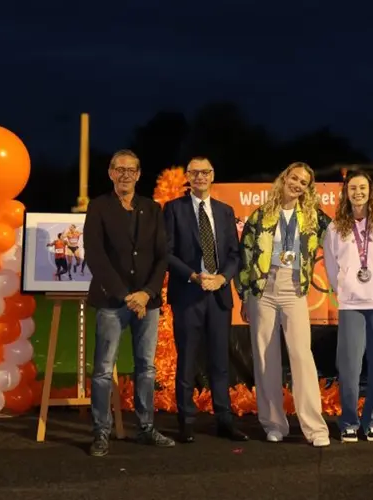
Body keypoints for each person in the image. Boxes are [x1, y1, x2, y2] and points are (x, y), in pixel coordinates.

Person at [83, 149, 175, 456]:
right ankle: (101, 432)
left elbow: (162, 256)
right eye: (119, 169)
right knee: (103, 370)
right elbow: (95, 255)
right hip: (112, 300)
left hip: (146, 301)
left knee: (146, 368)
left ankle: (146, 428)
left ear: (138, 174)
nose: (125, 175)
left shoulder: (152, 209)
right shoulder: (98, 207)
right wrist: (126, 295)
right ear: (110, 173)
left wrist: (147, 293)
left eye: (131, 170)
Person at [236, 161, 331, 447]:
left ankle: (315, 429)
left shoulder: (314, 217)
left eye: (304, 182)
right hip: (262, 290)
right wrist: (244, 294)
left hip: (293, 289)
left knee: (302, 356)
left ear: (308, 189)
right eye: (294, 178)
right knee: (265, 357)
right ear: (284, 178)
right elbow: (246, 255)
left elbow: (341, 240)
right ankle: (273, 423)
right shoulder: (260, 215)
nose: (297, 184)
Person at [163, 157, 249, 443]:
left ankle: (224, 420)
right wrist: (193, 276)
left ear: (213, 175)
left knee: (220, 362)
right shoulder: (174, 209)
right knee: (187, 360)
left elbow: (235, 254)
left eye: (205, 172)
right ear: (188, 176)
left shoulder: (225, 212)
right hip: (189, 294)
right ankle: (186, 422)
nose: (200, 177)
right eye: (194, 172)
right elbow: (167, 252)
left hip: (219, 295)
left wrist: (223, 278)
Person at [323, 170, 373, 443]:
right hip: (350, 305)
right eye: (353, 188)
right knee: (350, 367)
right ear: (346, 192)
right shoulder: (335, 228)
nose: (358, 192)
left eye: (363, 187)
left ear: (371, 191)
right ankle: (348, 422)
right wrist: (345, 289)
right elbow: (331, 266)